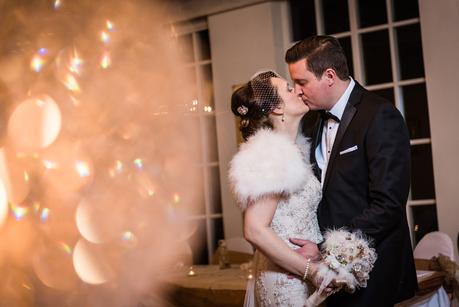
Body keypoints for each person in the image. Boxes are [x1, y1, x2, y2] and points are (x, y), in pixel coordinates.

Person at [285, 35, 418, 306]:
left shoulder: (380, 115)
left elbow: (388, 205)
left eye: (302, 82)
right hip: (330, 278)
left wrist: (325, 249)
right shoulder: (312, 122)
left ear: (329, 76)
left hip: (374, 273)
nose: (298, 91)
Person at [228, 70, 324, 306]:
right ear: (277, 109)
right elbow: (254, 229)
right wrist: (310, 271)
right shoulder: (271, 154)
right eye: (289, 90)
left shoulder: (294, 150)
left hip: (300, 272)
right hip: (287, 281)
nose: (298, 90)